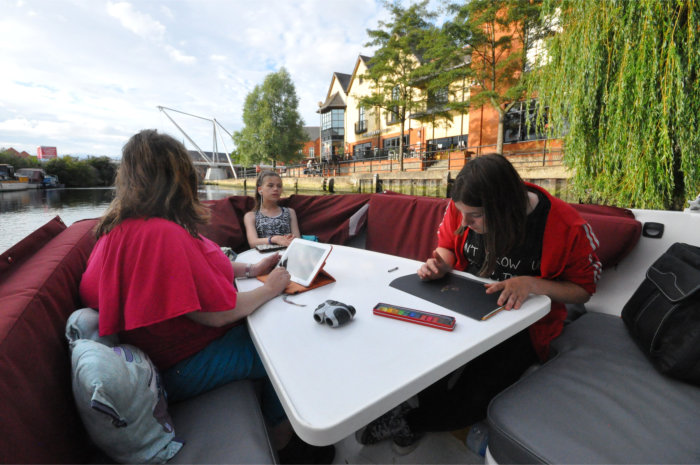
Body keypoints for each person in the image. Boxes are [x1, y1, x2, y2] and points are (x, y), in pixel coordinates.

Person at [79, 130, 333, 463]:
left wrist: (250, 268)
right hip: (185, 365)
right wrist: (270, 287)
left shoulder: (116, 231)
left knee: (278, 322)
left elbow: (186, 274)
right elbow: (218, 314)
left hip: (174, 355)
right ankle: (282, 437)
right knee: (288, 347)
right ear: (179, 178)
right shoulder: (161, 234)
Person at [356, 154, 601, 454]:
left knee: (474, 401)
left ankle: (410, 422)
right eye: (461, 214)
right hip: (459, 300)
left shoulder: (566, 226)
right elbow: (446, 247)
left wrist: (530, 283)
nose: (465, 223)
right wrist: (440, 265)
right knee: (422, 361)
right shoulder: (464, 206)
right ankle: (424, 411)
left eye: (474, 216)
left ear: (504, 207)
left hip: (522, 323)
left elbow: (583, 291)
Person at [244, 170, 301, 248]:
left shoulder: (290, 212)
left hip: (286, 254)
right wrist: (274, 239)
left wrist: (292, 238)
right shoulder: (250, 216)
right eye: (270, 186)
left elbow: (297, 240)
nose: (275, 189)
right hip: (263, 257)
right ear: (260, 190)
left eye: (279, 186)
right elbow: (253, 243)